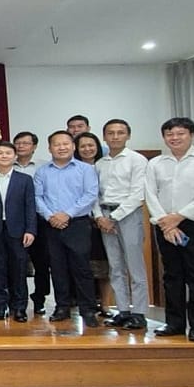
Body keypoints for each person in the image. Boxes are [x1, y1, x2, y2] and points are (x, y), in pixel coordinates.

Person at [145, 118, 194, 341]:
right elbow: (150, 193)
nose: (175, 138)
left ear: (191, 135)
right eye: (170, 134)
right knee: (172, 276)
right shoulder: (156, 163)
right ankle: (174, 323)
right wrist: (165, 222)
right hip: (164, 225)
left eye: (180, 133)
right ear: (164, 137)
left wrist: (179, 216)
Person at [34, 131, 100, 328]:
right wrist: (50, 216)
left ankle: (88, 309)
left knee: (82, 268)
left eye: (65, 144)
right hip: (51, 225)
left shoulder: (85, 169)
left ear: (73, 146)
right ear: (50, 148)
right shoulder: (42, 171)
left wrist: (67, 214)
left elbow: (90, 195)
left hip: (78, 224)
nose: (61, 147)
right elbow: (37, 198)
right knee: (57, 268)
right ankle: (62, 307)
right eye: (56, 144)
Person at [94, 119, 149, 330]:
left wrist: (114, 217)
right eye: (111, 133)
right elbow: (94, 195)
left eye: (120, 132)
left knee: (135, 266)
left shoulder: (137, 160)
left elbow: (138, 193)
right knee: (115, 266)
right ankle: (123, 310)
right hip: (105, 217)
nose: (115, 136)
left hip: (127, 215)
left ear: (128, 135)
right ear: (104, 136)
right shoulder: (100, 164)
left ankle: (140, 312)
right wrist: (99, 217)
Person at [0, 142, 36, 322]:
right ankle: (0, 306)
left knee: (19, 270)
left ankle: (20, 307)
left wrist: (30, 230)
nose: (4, 156)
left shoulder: (25, 180)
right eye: (0, 153)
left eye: (8, 153)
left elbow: (30, 207)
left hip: (18, 231)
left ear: (15, 157)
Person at [75, 132, 112, 317]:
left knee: (104, 266)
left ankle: (105, 305)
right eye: (82, 146)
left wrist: (99, 217)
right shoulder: (73, 169)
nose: (87, 149)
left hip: (102, 221)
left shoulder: (103, 166)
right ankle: (87, 304)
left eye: (91, 145)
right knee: (84, 266)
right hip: (79, 221)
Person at [13, 131, 50, 315]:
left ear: (34, 146)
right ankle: (17, 300)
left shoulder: (44, 167)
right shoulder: (6, 166)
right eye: (18, 143)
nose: (21, 146)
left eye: (25, 143)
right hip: (14, 221)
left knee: (41, 262)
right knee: (17, 262)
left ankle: (40, 298)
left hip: (40, 220)